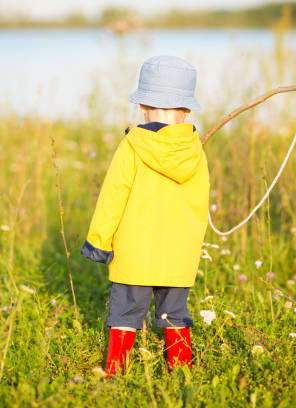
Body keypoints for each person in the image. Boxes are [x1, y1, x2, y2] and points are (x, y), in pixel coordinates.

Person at [80, 55, 209, 376]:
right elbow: (199, 203)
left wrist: (98, 241)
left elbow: (113, 197)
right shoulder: (195, 149)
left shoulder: (133, 145)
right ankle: (180, 372)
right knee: (175, 314)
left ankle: (115, 373)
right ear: (187, 109)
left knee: (125, 313)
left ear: (142, 106)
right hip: (179, 253)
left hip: (134, 253)